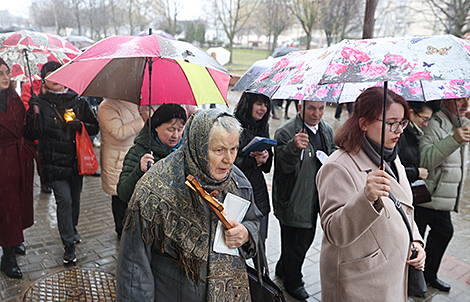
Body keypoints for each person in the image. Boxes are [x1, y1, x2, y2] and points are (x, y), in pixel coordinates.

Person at [116, 109, 262, 301]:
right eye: (219, 150)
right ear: (198, 146)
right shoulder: (153, 191)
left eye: (233, 149)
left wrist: (246, 233)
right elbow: (134, 270)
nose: (228, 160)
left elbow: (254, 221)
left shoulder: (237, 182)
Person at [316, 87, 425, 301]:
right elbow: (333, 232)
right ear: (363, 123)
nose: (399, 130)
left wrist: (417, 242)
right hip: (361, 281)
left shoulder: (392, 157)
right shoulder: (338, 166)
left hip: (394, 272)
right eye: (391, 123)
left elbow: (404, 210)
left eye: (403, 122)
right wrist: (366, 198)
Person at [25, 61, 99, 264]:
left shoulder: (78, 101)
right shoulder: (39, 103)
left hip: (76, 163)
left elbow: (94, 127)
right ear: (43, 80)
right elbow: (31, 134)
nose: (55, 78)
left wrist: (81, 124)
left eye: (58, 73)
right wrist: (32, 113)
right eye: (49, 75)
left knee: (75, 201)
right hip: (53, 163)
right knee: (64, 201)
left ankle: (72, 229)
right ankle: (68, 244)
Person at [272, 100, 336, 300]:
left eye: (321, 108)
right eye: (311, 108)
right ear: (300, 108)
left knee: (299, 242)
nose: (316, 114)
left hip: (316, 196)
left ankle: (283, 268)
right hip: (294, 199)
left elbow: (332, 152)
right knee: (298, 242)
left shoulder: (325, 129)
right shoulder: (286, 132)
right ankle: (293, 281)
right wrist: (293, 147)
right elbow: (282, 168)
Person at [417, 97, 470, 292]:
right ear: (446, 101)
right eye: (460, 100)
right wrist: (454, 140)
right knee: (417, 240)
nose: (465, 104)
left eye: (467, 100)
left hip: (442, 200)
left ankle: (429, 276)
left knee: (443, 233)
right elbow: (424, 159)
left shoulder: (463, 123)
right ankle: (412, 281)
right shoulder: (433, 124)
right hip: (426, 197)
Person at [0, 58, 37, 279]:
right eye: (0, 74)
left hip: (18, 157)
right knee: (7, 207)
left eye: (7, 72)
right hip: (2, 160)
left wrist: (33, 116)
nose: (6, 77)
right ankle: (7, 257)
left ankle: (14, 241)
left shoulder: (13, 95)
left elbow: (23, 128)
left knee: (18, 203)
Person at [117, 103, 187, 204]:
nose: (175, 135)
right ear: (156, 127)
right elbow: (123, 194)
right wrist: (139, 170)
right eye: (170, 129)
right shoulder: (139, 152)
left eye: (180, 129)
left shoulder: (184, 151)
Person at [97, 98, 147, 239]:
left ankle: (133, 229)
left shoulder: (137, 103)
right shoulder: (107, 106)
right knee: (119, 197)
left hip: (136, 156)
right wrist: (142, 120)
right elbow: (118, 133)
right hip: (117, 159)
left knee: (134, 195)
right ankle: (121, 230)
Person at [234, 92, 273, 243]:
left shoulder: (263, 126)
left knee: (259, 241)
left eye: (265, 105)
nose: (263, 109)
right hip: (239, 192)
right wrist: (253, 161)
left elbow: (267, 168)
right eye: (258, 104)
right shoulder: (234, 125)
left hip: (258, 193)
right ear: (248, 104)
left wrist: (266, 158)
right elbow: (230, 162)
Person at [397, 101, 436, 185]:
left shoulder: (413, 134)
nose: (426, 124)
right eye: (424, 119)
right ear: (410, 113)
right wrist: (416, 173)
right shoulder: (399, 135)